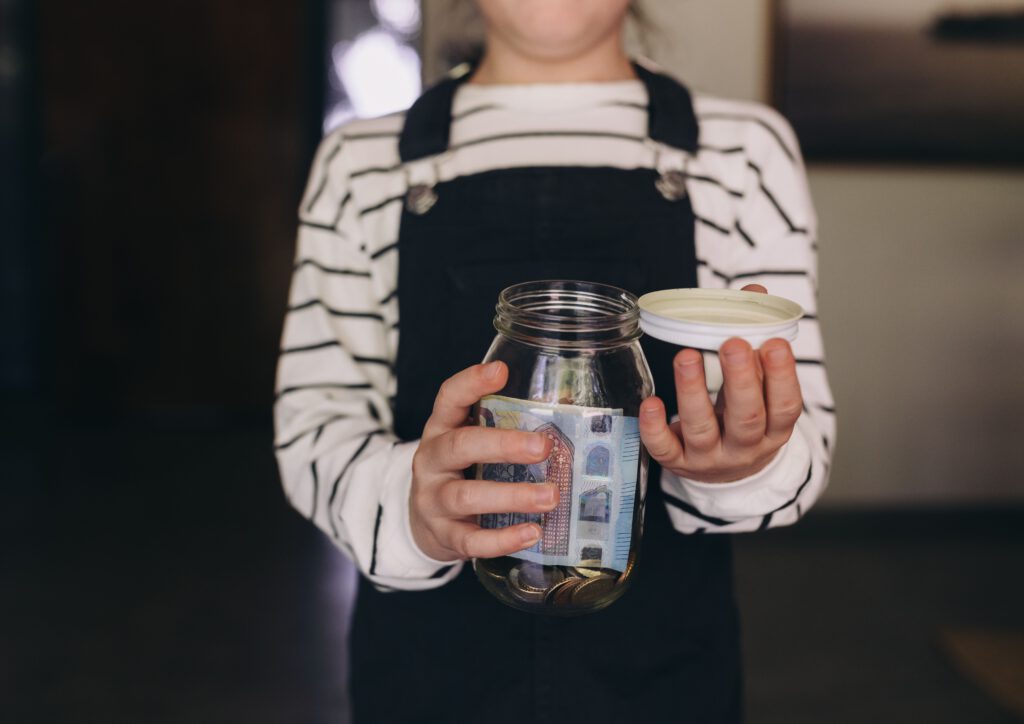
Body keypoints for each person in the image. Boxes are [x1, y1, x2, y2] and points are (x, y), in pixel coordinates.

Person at [274, 1, 836, 721]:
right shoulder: (360, 166)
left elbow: (804, 445)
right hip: (429, 672)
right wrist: (413, 509)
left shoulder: (745, 154)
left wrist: (742, 463)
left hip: (663, 673)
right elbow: (313, 428)